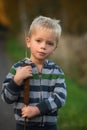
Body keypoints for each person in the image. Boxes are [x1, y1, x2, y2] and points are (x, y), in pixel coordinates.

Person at [1, 16, 67, 130]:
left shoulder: (56, 71)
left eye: (49, 43)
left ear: (55, 47)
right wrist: (16, 80)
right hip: (24, 126)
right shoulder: (18, 68)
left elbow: (60, 97)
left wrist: (37, 109)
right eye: (38, 41)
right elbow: (6, 98)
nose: (43, 46)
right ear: (28, 42)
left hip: (49, 127)